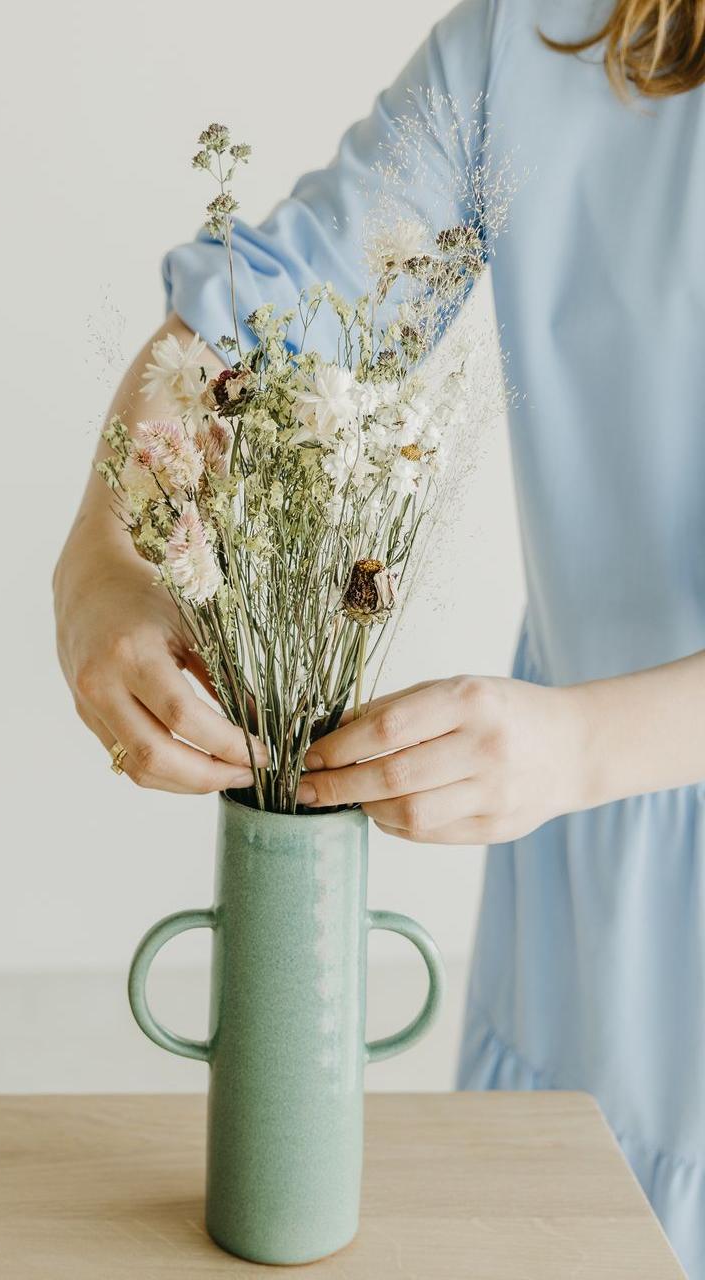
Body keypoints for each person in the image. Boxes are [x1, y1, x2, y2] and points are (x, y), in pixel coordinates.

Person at [53, 0, 705, 1270]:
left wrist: (582, 747)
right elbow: (259, 325)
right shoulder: (541, 40)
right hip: (586, 912)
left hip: (583, 802)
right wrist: (106, 562)